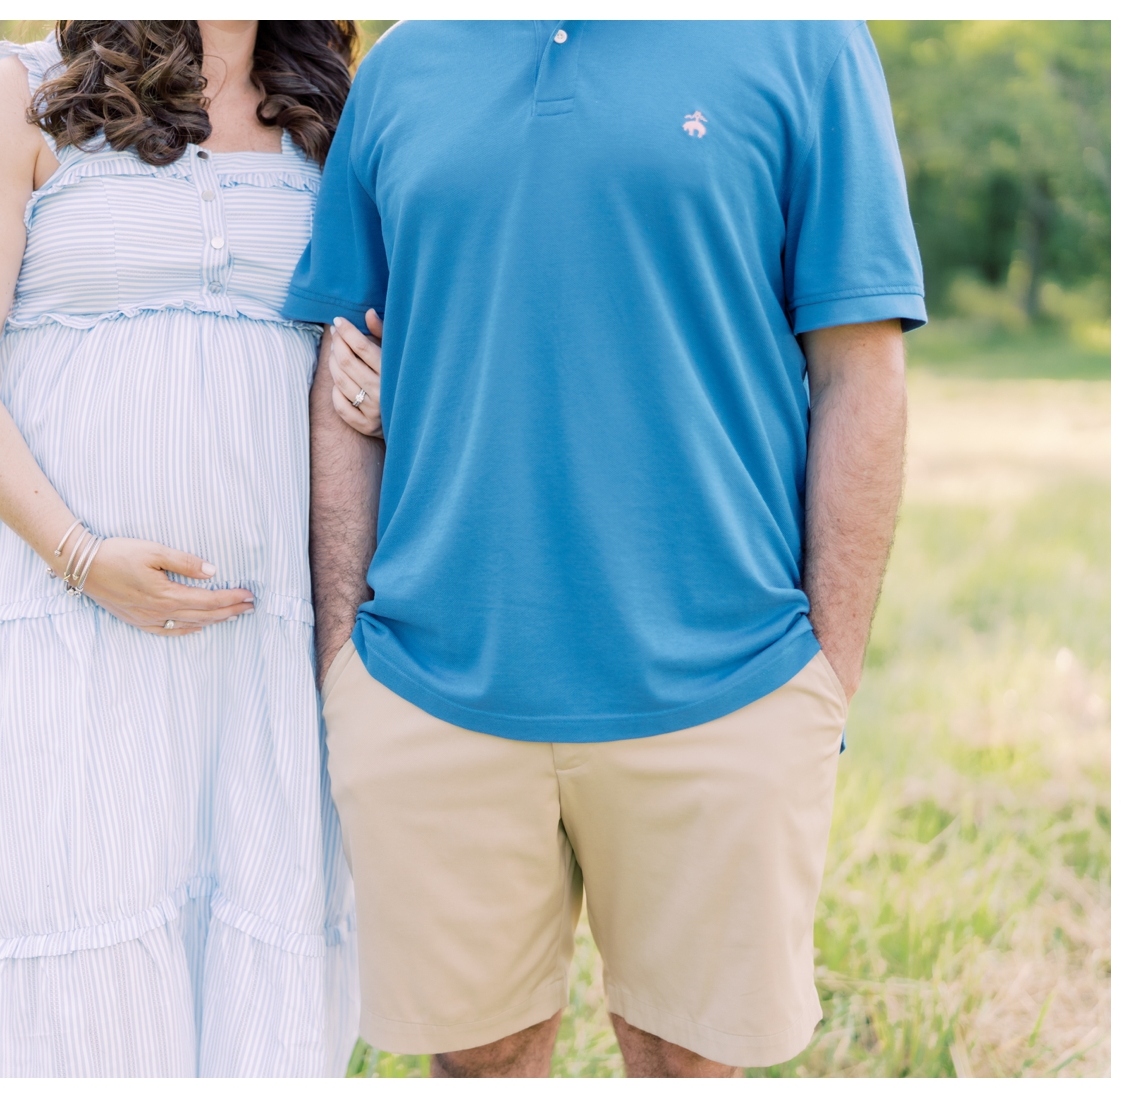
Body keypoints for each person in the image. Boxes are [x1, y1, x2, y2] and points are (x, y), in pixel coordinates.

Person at [289, 20, 924, 1078]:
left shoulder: (807, 40)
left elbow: (860, 373)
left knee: (688, 1063)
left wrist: (825, 679)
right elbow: (339, 373)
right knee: (479, 1062)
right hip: (425, 684)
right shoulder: (398, 66)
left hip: (728, 684)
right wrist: (342, 659)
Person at [0, 20, 369, 1077]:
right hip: (66, 610)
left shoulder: (338, 114)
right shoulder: (26, 94)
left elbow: (379, 333)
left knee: (251, 907)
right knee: (76, 902)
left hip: (268, 627)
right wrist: (78, 552)